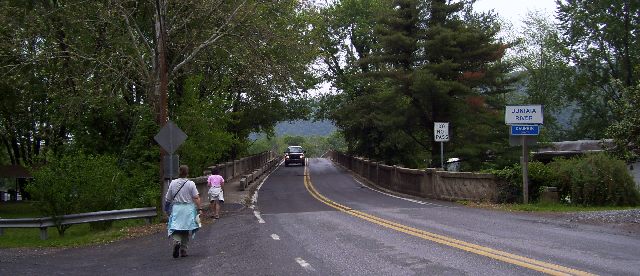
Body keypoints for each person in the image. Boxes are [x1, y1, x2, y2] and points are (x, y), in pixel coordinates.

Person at [165, 165, 203, 258]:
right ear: (187, 173)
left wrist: (166, 209)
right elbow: (196, 197)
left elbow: (168, 198)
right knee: (186, 229)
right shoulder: (191, 183)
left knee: (176, 227)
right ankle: (183, 250)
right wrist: (200, 209)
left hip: (177, 208)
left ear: (179, 172)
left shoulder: (173, 183)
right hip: (188, 209)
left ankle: (177, 241)